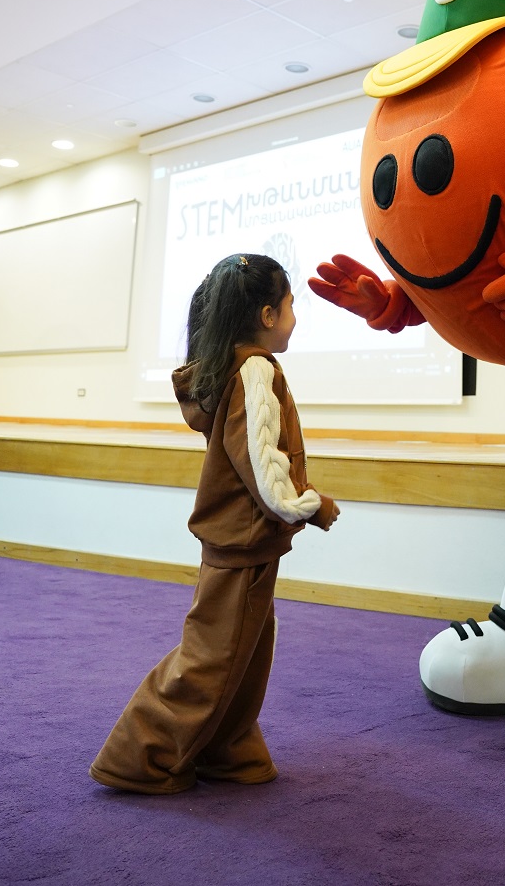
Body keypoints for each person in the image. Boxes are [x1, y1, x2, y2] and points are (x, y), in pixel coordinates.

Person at [90, 253, 340, 794]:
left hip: (245, 538)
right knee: (213, 658)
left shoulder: (237, 367)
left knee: (246, 652)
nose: (295, 317)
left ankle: (227, 749)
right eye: (291, 305)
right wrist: (309, 505)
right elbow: (262, 463)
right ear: (267, 315)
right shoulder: (255, 370)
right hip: (243, 538)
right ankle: (138, 757)